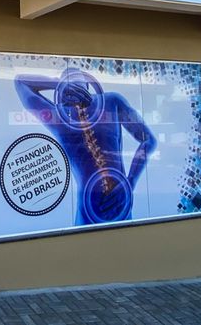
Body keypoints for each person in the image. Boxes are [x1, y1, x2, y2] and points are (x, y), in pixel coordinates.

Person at [15, 68, 156, 225]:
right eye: (67, 83)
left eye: (76, 81)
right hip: (96, 210)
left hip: (115, 206)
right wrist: (59, 84)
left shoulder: (111, 101)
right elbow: (20, 81)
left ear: (88, 85)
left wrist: (130, 183)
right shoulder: (59, 116)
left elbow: (148, 140)